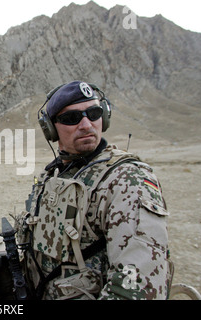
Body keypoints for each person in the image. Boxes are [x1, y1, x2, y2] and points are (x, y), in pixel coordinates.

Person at [15, 81, 172, 300]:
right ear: (50, 129)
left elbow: (136, 289)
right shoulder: (55, 174)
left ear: (104, 117)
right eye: (71, 118)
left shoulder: (127, 180)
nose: (87, 125)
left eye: (94, 113)